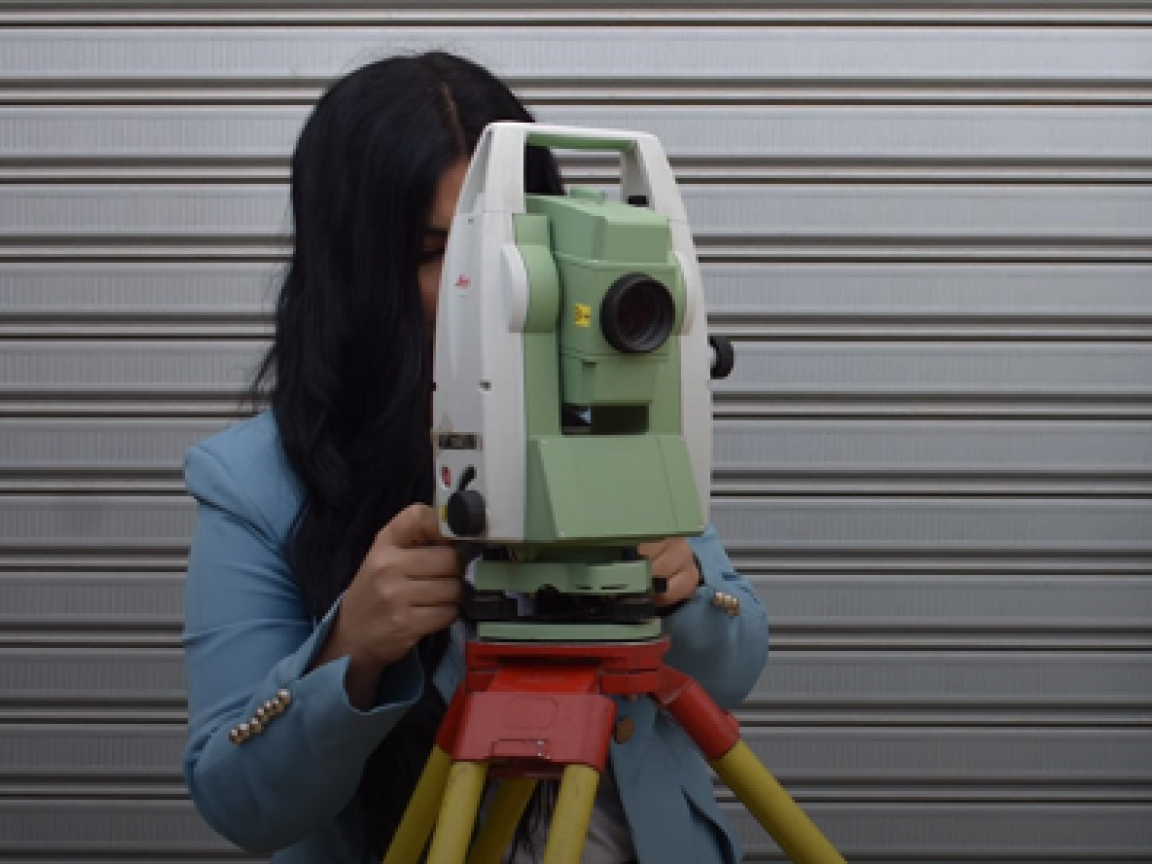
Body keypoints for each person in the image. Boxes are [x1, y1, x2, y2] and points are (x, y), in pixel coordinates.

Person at [181, 50, 768, 864]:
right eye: (435, 253)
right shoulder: (255, 483)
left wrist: (686, 592)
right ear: (356, 269)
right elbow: (239, 800)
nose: (484, 284)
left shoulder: (603, 418)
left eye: (503, 247)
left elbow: (734, 668)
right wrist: (350, 650)